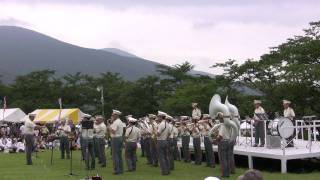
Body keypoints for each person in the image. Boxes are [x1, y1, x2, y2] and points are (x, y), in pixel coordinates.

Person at [214, 112, 232, 178]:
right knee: (227, 158)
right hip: (228, 141)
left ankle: (224, 174)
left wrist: (215, 141)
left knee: (223, 159)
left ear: (221, 118)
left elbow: (220, 136)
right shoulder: (229, 125)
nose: (219, 119)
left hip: (223, 142)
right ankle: (228, 173)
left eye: (219, 118)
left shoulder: (223, 125)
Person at [108, 109, 125, 175]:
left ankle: (116, 170)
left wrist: (109, 126)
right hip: (119, 138)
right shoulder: (119, 121)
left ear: (116, 115)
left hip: (115, 139)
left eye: (113, 115)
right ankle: (120, 170)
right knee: (119, 155)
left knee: (115, 155)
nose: (112, 116)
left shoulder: (116, 122)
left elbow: (113, 131)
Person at [157, 111, 171, 175]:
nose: (158, 118)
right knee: (166, 156)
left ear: (160, 117)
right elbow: (169, 133)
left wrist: (155, 132)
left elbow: (158, 134)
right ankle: (168, 170)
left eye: (158, 116)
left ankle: (164, 171)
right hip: (165, 140)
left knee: (161, 157)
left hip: (161, 141)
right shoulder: (167, 124)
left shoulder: (161, 124)